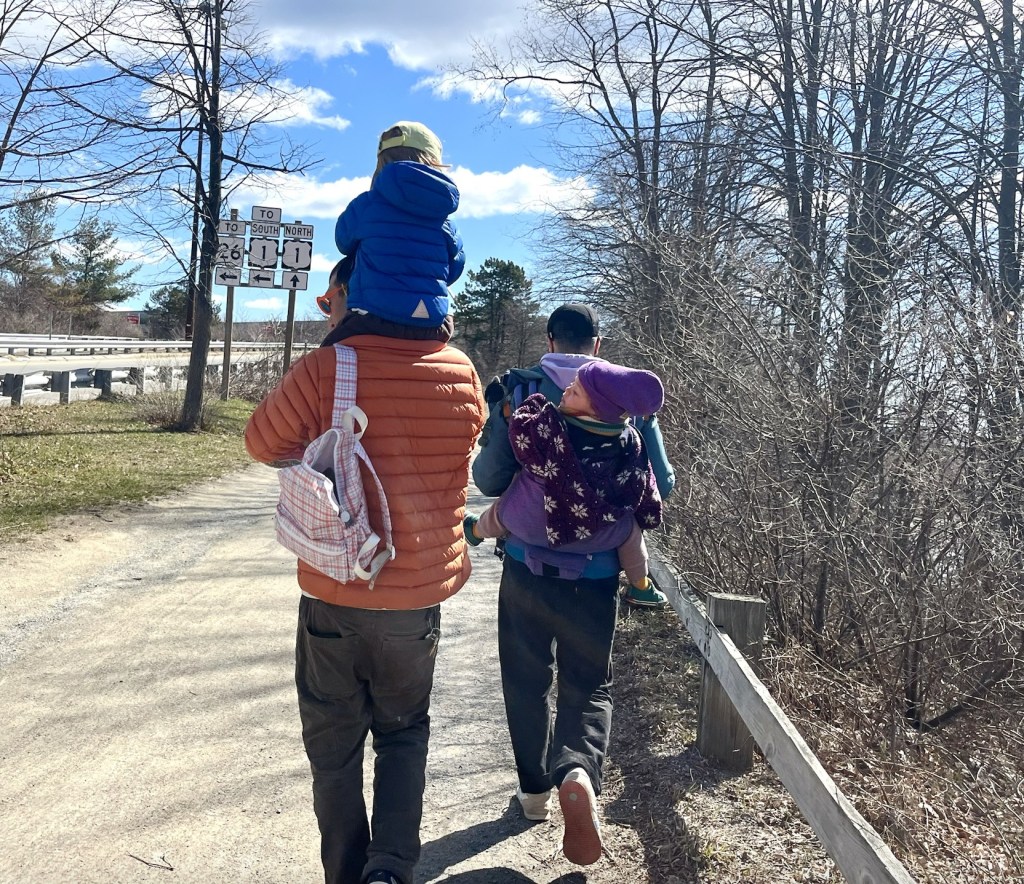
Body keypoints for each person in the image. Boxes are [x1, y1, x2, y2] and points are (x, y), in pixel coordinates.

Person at [246, 159, 485, 884]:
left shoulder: (328, 370)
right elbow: (464, 458)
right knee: (405, 734)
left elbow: (260, 443)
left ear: (357, 283)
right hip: (416, 601)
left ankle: (347, 872)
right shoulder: (462, 373)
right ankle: (392, 869)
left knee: (335, 747)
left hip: (336, 591)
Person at [472, 303, 675, 607]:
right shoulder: (625, 398)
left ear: (550, 341)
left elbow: (488, 480)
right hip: (599, 567)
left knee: (523, 641)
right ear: (597, 344)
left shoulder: (521, 389)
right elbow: (662, 484)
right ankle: (641, 587)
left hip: (526, 558)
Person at [334, 120, 464, 329]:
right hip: (430, 325)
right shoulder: (446, 221)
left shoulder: (366, 205)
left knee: (333, 342)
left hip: (371, 318)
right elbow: (455, 267)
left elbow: (342, 242)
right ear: (435, 163)